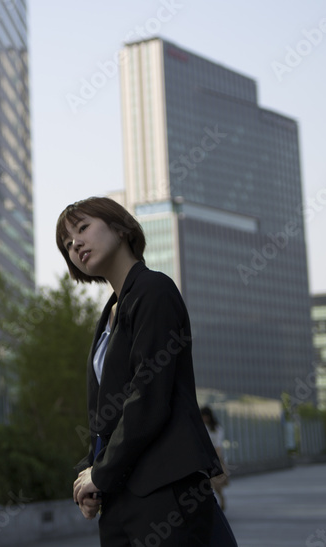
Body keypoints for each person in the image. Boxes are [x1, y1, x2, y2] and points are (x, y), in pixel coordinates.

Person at [58, 197, 238, 547]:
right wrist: (89, 473)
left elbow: (148, 396)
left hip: (163, 489)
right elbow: (107, 413)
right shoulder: (111, 312)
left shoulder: (153, 291)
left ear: (122, 228)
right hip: (119, 498)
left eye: (82, 229)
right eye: (66, 243)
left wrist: (103, 471)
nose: (75, 243)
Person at [200, 406, 230, 510]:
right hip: (203, 458)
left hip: (214, 458)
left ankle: (221, 500)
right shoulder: (201, 427)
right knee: (207, 484)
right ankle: (212, 505)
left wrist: (215, 459)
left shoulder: (216, 428)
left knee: (217, 483)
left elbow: (218, 446)